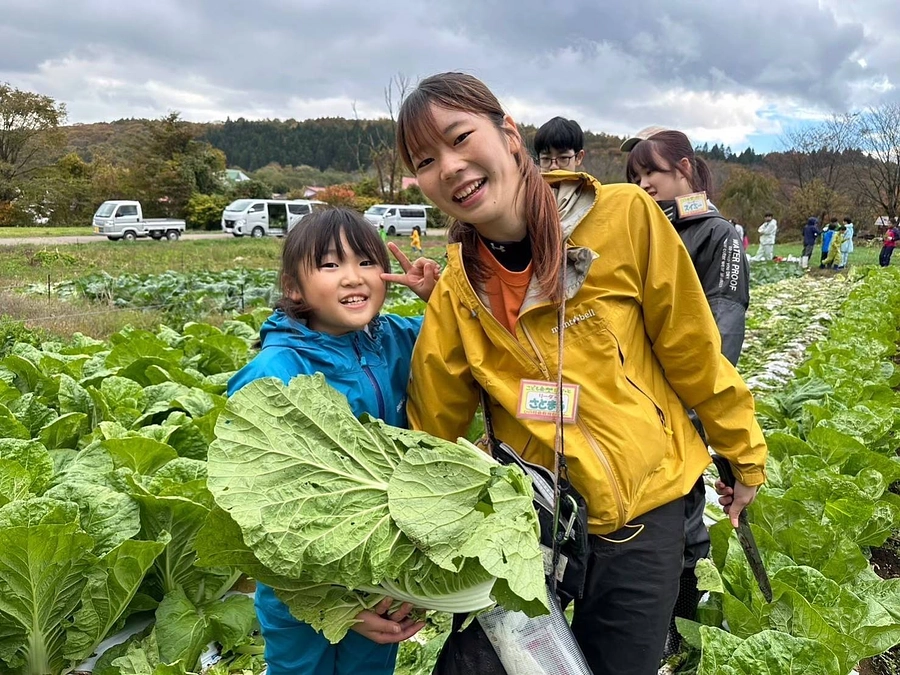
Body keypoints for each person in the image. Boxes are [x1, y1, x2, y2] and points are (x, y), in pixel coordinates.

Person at [395, 72, 767, 675]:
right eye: (427, 160)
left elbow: (693, 352)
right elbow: (430, 430)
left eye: (462, 138)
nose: (452, 167)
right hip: (529, 524)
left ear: (508, 133)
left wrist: (741, 454)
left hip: (642, 512)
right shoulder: (458, 289)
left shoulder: (623, 217)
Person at [226, 207, 439, 675]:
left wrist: (439, 298)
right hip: (302, 584)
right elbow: (261, 509)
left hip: (381, 567)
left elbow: (465, 343)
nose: (352, 278)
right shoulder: (276, 372)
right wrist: (339, 607)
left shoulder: (399, 339)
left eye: (366, 262)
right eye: (329, 264)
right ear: (293, 287)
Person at [622, 125, 750, 656]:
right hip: (630, 404)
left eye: (652, 170)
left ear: (686, 170)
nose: (644, 183)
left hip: (677, 405)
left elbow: (721, 332)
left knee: (681, 517)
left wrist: (698, 408)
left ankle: (686, 631)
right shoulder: (641, 229)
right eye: (634, 175)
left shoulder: (716, 234)